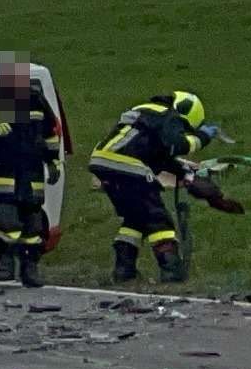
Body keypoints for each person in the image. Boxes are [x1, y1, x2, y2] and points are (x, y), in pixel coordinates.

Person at [85, 90, 242, 284]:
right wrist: (202, 136)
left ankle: (124, 271)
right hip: (126, 163)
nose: (183, 130)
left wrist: (185, 173)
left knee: (135, 219)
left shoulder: (148, 113)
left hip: (103, 162)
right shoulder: (169, 116)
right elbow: (177, 145)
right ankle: (171, 271)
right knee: (158, 218)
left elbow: (159, 156)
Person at [0, 57, 62, 287]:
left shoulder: (35, 101)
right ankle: (4, 261)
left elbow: (51, 133)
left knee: (34, 226)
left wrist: (54, 160)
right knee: (6, 220)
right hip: (1, 171)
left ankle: (30, 268)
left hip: (31, 172)